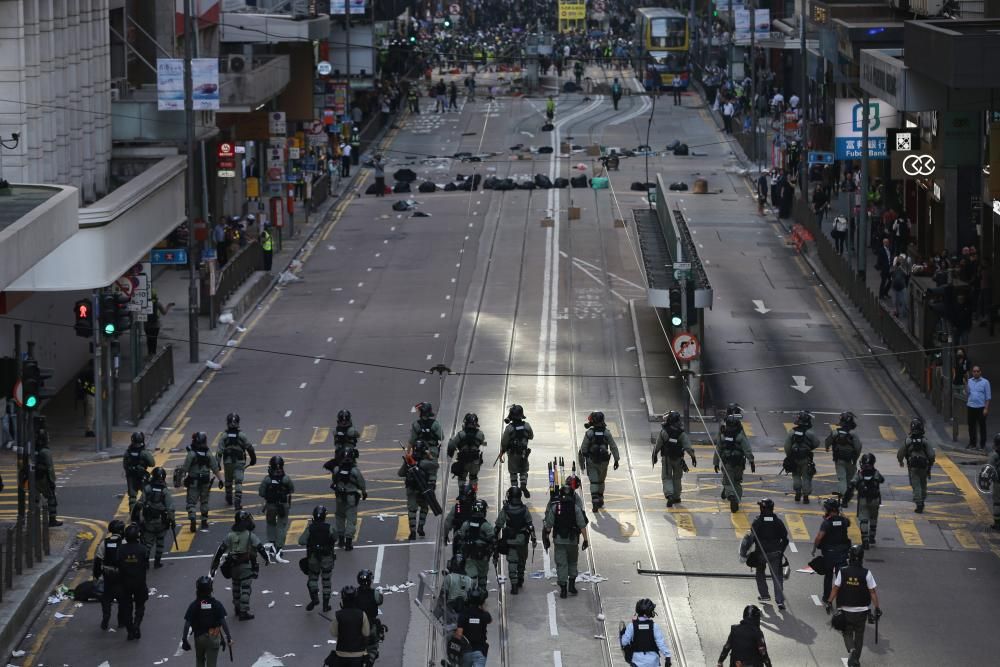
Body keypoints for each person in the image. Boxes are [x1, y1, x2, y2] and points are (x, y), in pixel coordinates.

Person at [827, 544, 881, 667]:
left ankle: (851, 649)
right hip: (862, 611)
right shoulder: (867, 573)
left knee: (846, 632)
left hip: (845, 610)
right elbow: (872, 592)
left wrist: (829, 601)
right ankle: (855, 659)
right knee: (859, 635)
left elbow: (835, 588)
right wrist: (877, 608)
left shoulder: (843, 571)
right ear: (862, 557)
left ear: (850, 556)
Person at [210, 510, 270, 621]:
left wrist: (216, 562)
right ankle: (244, 611)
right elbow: (260, 547)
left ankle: (237, 608)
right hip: (245, 566)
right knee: (246, 588)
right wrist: (266, 558)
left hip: (233, 566)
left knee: (236, 587)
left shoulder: (230, 535)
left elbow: (221, 549)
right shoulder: (250, 535)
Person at [543, 483, 590, 599]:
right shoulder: (576, 508)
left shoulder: (555, 507)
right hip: (573, 540)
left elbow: (548, 525)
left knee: (561, 563)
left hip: (559, 540)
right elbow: (582, 525)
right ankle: (572, 586)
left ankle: (563, 588)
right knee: (572, 562)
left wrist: (546, 537)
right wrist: (585, 539)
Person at [181, 576, 233, 666]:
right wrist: (228, 637)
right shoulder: (216, 604)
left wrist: (184, 639)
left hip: (199, 637)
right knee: (211, 664)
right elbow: (223, 622)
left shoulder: (194, 605)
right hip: (213, 636)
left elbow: (187, 624)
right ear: (210, 589)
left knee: (199, 660)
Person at [494, 485, 536, 595]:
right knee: (522, 560)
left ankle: (514, 585)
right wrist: (533, 537)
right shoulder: (524, 509)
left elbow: (499, 524)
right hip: (522, 539)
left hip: (510, 539)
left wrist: (494, 536)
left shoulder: (506, 509)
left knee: (512, 561)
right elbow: (530, 524)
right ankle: (520, 578)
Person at [747, 498, 788, 609]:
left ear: (762, 508)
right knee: (777, 577)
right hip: (775, 554)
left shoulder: (757, 522)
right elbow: (785, 539)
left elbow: (751, 538)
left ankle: (764, 595)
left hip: (761, 554)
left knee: (760, 574)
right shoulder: (778, 522)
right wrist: (781, 552)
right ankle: (780, 601)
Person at [180, 432, 224, 532]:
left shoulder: (191, 454)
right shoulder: (208, 454)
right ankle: (204, 522)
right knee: (204, 501)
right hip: (205, 482)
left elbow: (185, 469)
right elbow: (215, 469)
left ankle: (192, 518)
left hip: (193, 482)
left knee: (191, 503)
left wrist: (182, 480)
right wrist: (221, 480)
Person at [578, 411, 620, 512]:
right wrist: (616, 460)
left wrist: (582, 463)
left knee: (594, 481)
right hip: (604, 462)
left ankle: (594, 500)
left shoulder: (589, 433)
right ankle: (600, 499)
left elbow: (583, 449)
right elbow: (613, 447)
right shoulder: (607, 433)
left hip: (592, 461)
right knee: (601, 480)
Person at [653, 411, 697, 507]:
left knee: (666, 477)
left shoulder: (663, 432)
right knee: (677, 478)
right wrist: (693, 457)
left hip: (666, 459)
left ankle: (669, 495)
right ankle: (676, 496)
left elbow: (658, 445)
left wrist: (655, 455)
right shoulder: (681, 434)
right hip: (678, 459)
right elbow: (688, 447)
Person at [298, 505, 336, 612]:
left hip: (314, 557)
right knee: (326, 581)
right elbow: (335, 538)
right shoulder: (329, 527)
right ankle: (325, 605)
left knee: (313, 578)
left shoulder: (310, 528)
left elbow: (301, 541)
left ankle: (314, 598)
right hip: (327, 557)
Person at [813, 498, 851, 602]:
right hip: (842, 553)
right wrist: (841, 513)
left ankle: (826, 597)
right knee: (841, 577)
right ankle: (841, 598)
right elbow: (848, 522)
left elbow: (819, 537)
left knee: (828, 576)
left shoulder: (827, 522)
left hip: (829, 554)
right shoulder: (844, 521)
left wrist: (814, 548)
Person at [842, 453, 884, 549]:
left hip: (863, 499)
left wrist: (845, 500)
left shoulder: (859, 474)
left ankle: (865, 540)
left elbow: (851, 486)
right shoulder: (876, 473)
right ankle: (872, 537)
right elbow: (882, 480)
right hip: (875, 499)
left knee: (864, 519)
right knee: (873, 517)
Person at [136, 466, 175, 568]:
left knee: (148, 543)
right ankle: (157, 562)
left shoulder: (147, 488)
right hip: (161, 521)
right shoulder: (165, 491)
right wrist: (172, 520)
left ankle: (146, 563)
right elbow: (170, 508)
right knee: (160, 542)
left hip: (148, 521)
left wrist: (137, 519)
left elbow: (140, 503)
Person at [715, 413, 755, 512]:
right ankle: (736, 500)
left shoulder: (722, 435)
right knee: (737, 482)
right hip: (739, 464)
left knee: (728, 482)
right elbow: (747, 449)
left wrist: (715, 463)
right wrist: (751, 461)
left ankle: (731, 495)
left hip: (727, 463)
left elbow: (718, 450)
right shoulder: (740, 436)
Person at [216, 413, 256, 510]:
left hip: (228, 462)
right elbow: (249, 448)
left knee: (228, 480)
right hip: (239, 462)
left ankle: (229, 497)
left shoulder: (224, 436)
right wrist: (253, 459)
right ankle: (237, 500)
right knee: (238, 482)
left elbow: (219, 451)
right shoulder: (242, 435)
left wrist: (217, 464)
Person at [258, 455, 294, 562]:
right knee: (282, 526)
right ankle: (279, 547)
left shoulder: (267, 479)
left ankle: (272, 543)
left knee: (271, 524)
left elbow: (261, 492)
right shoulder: (286, 479)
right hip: (283, 505)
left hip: (271, 505)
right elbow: (291, 490)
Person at [398, 440, 436, 540]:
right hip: (423, 489)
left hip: (411, 489)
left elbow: (400, 473)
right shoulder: (427, 463)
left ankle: (413, 532)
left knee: (412, 510)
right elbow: (434, 471)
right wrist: (430, 456)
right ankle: (421, 527)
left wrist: (406, 462)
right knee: (424, 508)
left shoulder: (409, 460)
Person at [118, 523, 150, 640]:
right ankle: (136, 625)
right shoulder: (142, 549)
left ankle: (130, 629)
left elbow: (118, 564)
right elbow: (146, 564)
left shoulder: (121, 549)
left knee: (127, 607)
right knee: (140, 606)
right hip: (139, 582)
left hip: (125, 582)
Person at [456, 499, 494, 593]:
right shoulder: (486, 526)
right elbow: (493, 539)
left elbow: (460, 536)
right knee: (482, 576)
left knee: (471, 576)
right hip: (483, 557)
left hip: (469, 556)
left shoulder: (466, 524)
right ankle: (481, 594)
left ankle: (469, 594)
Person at [897, 416, 935, 512]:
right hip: (924, 466)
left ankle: (919, 503)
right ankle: (922, 498)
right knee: (923, 483)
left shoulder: (908, 440)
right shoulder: (925, 441)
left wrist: (900, 461)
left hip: (913, 466)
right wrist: (930, 464)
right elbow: (931, 455)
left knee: (915, 484)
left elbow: (900, 453)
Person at [94, 519, 127, 630]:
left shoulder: (104, 543)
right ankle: (121, 621)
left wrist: (97, 575)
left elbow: (98, 560)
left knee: (106, 599)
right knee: (122, 600)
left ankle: (106, 618)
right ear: (121, 531)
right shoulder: (124, 543)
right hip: (120, 577)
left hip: (107, 576)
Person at [620, 598, 673, 667]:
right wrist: (667, 657)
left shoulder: (632, 626)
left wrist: (623, 632)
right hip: (653, 662)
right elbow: (661, 644)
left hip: (637, 662)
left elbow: (624, 642)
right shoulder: (654, 626)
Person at [327, 585, 370, 667]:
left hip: (341, 654)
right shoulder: (362, 614)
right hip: (359, 654)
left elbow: (333, 633)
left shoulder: (338, 615)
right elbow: (366, 633)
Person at [332, 447, 367, 551]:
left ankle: (341, 540)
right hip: (351, 497)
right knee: (351, 520)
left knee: (340, 517)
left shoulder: (336, 469)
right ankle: (348, 542)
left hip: (339, 497)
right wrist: (364, 492)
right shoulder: (355, 471)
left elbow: (334, 481)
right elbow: (361, 483)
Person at [824, 412, 862, 503]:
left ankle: (843, 495)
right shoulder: (853, 434)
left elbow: (827, 441)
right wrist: (855, 458)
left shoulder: (835, 433)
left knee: (842, 478)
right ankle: (847, 496)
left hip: (839, 460)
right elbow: (858, 448)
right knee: (850, 478)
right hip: (851, 460)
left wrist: (827, 447)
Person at [783, 411, 818, 504]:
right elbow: (816, 443)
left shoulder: (792, 432)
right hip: (806, 458)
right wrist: (809, 448)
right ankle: (806, 496)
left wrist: (789, 456)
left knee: (796, 475)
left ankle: (797, 492)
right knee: (806, 477)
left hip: (794, 458)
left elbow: (787, 446)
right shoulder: (810, 433)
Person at [499, 404, 534, 497]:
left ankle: (515, 490)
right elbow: (531, 436)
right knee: (523, 470)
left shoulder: (509, 428)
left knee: (513, 472)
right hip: (524, 453)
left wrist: (502, 451)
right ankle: (523, 484)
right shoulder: (527, 425)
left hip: (513, 454)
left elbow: (504, 442)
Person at [452, 588, 491, 667]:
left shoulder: (464, 614)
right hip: (480, 650)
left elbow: (459, 634)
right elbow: (490, 620)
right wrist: (482, 607)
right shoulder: (484, 614)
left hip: (466, 651)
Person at [448, 412, 487, 487]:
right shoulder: (480, 434)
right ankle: (473, 493)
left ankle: (462, 493)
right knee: (473, 477)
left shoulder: (460, 434)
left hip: (463, 461)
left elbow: (451, 445)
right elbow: (483, 444)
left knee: (462, 478)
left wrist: (450, 456)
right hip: (475, 462)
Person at [356, 569, 386, 663]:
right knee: (373, 647)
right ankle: (370, 660)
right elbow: (380, 600)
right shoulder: (375, 594)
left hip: (357, 626)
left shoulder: (355, 593)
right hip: (371, 625)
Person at [33, 429, 62, 526]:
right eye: (47, 437)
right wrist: (52, 482)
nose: (49, 439)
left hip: (35, 478)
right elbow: (50, 468)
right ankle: (52, 519)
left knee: (35, 499)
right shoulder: (46, 451)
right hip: (44, 478)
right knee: (51, 498)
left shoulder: (35, 449)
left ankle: (34, 520)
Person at [966, 365, 991, 449]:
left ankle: (982, 445)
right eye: (974, 371)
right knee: (971, 426)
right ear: (972, 372)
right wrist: (965, 386)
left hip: (981, 407)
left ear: (980, 372)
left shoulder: (985, 382)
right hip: (971, 406)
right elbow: (967, 393)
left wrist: (986, 408)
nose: (976, 373)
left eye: (977, 371)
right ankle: (972, 443)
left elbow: (988, 397)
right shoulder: (969, 381)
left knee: (982, 426)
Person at [143, 292, 173, 356]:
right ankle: (153, 353)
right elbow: (164, 312)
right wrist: (168, 305)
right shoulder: (158, 303)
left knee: (149, 339)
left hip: (147, 325)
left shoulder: (145, 303)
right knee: (154, 339)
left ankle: (149, 353)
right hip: (156, 325)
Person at [78, 363, 96, 437]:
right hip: (90, 394)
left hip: (89, 394)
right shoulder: (91, 372)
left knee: (90, 412)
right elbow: (91, 384)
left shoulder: (88, 372)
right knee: (91, 412)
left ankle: (89, 429)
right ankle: (89, 430)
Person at [988, 435, 1000, 530]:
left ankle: (997, 523)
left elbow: (989, 468)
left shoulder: (994, 455)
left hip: (998, 482)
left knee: (997, 502)